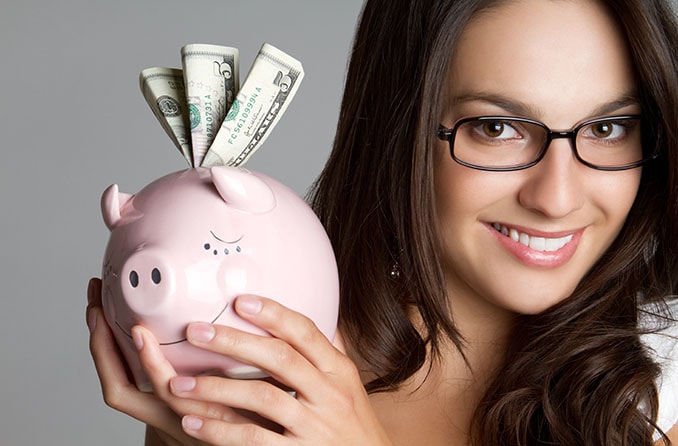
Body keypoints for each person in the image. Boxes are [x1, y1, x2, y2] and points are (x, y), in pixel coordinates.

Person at [86, 0, 678, 444]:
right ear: (400, 133)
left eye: (607, 129)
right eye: (495, 127)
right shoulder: (261, 369)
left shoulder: (662, 387)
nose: (557, 197)